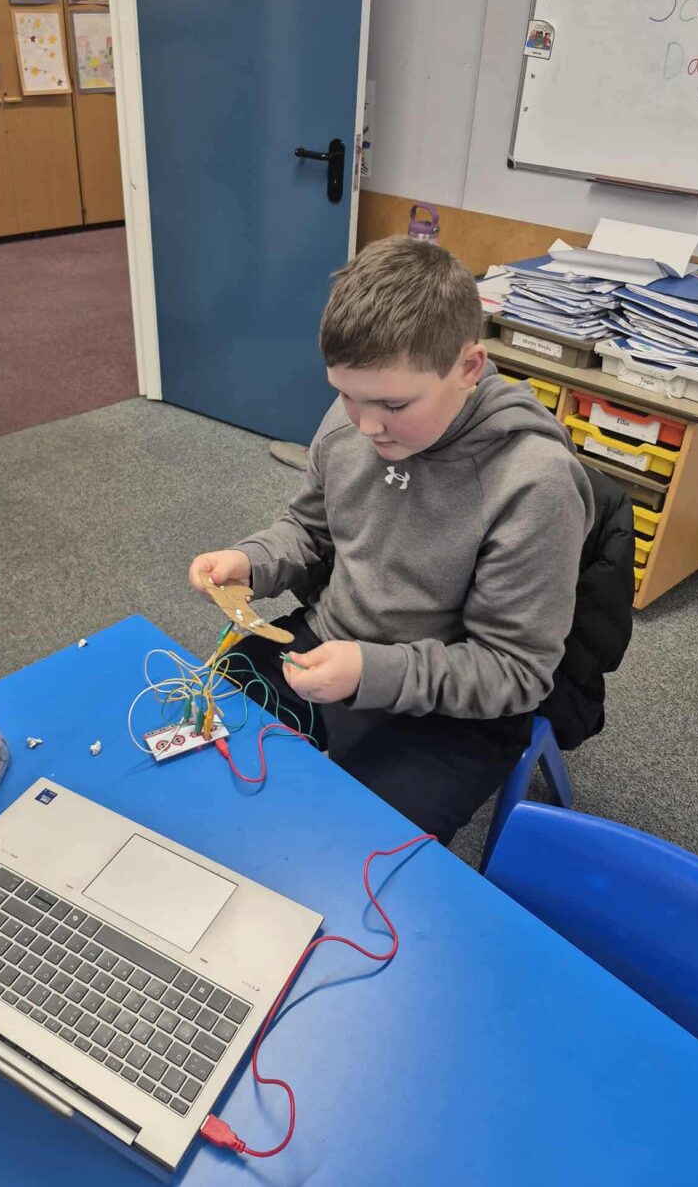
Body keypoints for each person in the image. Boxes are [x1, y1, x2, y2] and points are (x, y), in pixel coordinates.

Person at [188, 237, 594, 845]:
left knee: (349, 854)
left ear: (468, 367)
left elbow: (514, 671)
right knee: (198, 756)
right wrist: (252, 560)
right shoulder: (353, 418)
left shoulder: (534, 485)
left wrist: (369, 671)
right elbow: (310, 530)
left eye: (394, 403)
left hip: (452, 708)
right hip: (328, 646)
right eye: (346, 394)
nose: (367, 424)